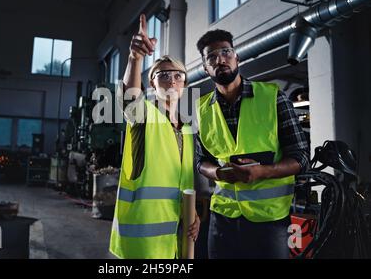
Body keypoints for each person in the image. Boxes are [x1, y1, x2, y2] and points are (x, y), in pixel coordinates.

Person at [195, 29, 310, 259]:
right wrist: (217, 172)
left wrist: (262, 172)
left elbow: (301, 157)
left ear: (237, 57)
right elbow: (200, 161)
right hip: (222, 219)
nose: (220, 59)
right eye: (211, 57)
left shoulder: (273, 97)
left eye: (226, 52)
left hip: (270, 221)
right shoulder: (200, 108)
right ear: (206, 68)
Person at [109, 14, 200, 259]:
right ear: (151, 83)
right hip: (141, 244)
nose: (171, 79)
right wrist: (134, 57)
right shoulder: (144, 116)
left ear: (185, 84)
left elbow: (184, 181)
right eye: (163, 75)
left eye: (178, 75)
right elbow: (130, 98)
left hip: (175, 240)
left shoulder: (188, 129)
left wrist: (193, 214)